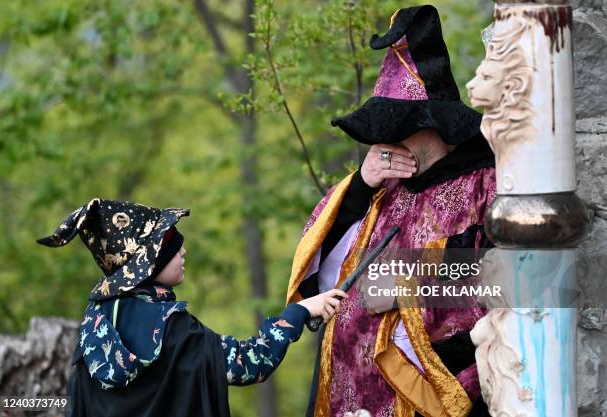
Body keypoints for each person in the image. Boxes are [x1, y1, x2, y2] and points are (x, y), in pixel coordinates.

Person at [285, 6, 495, 417]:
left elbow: (519, 276)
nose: (386, 143)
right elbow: (319, 273)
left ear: (434, 124)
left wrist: (399, 279)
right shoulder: (382, 185)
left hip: (429, 391)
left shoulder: (486, 182)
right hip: (350, 389)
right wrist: (361, 184)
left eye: (396, 129)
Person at [37, 198, 346, 417]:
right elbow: (252, 364)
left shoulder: (95, 322)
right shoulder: (172, 327)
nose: (182, 251)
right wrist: (299, 311)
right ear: (148, 263)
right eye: (170, 247)